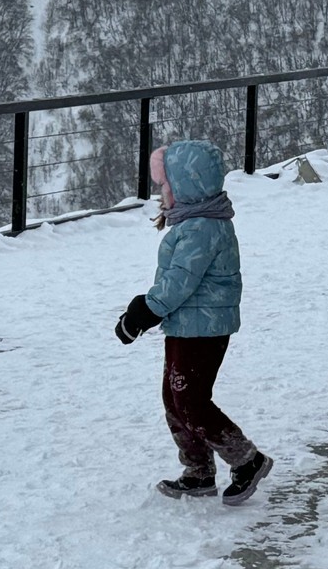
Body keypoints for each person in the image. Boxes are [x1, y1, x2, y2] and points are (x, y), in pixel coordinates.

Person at [114, 138, 273, 505]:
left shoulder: (201, 228)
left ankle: (247, 459)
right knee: (176, 398)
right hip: (188, 325)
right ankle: (198, 470)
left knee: (191, 401)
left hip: (204, 328)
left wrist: (143, 312)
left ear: (185, 186)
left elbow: (179, 282)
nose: (162, 193)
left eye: (165, 185)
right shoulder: (195, 221)